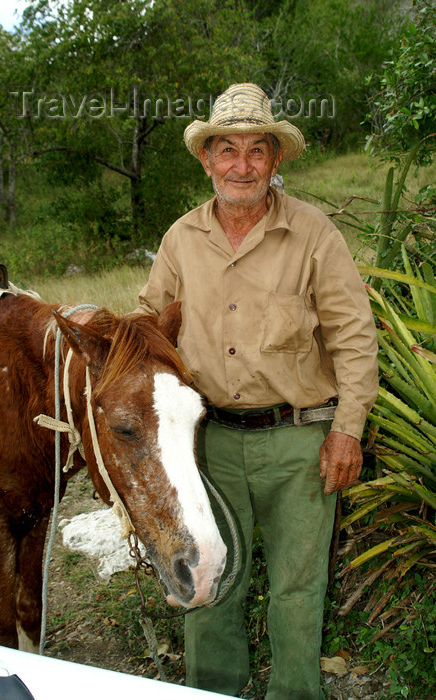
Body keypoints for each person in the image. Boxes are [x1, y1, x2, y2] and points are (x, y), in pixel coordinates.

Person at [134, 83, 379, 700]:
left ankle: (296, 693)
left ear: (274, 160)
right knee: (210, 577)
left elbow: (354, 336)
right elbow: (147, 332)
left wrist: (347, 429)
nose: (241, 166)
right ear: (206, 159)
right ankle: (212, 691)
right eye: (227, 150)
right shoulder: (181, 239)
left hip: (301, 442)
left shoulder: (314, 234)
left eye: (255, 151)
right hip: (209, 444)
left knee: (299, 584)